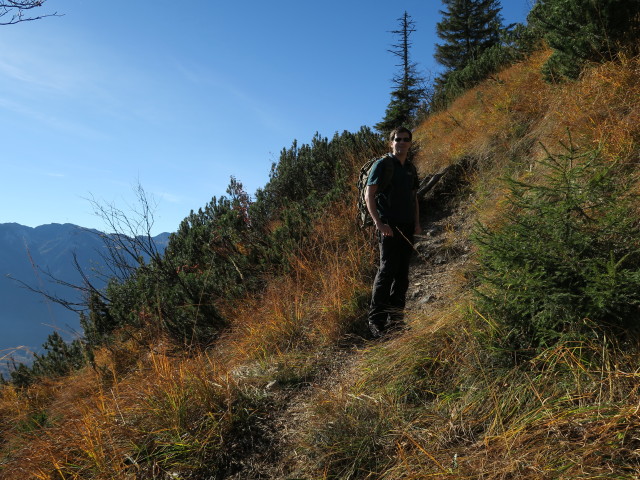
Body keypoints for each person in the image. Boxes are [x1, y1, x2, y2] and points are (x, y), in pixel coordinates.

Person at [365, 126, 421, 337]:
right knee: (386, 272)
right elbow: (369, 195)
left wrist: (417, 223)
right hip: (388, 226)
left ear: (410, 143)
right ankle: (376, 322)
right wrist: (379, 223)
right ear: (391, 142)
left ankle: (396, 319)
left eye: (406, 139)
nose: (402, 142)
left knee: (402, 274)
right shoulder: (383, 165)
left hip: (407, 226)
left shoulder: (410, 168)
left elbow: (414, 197)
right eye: (398, 139)